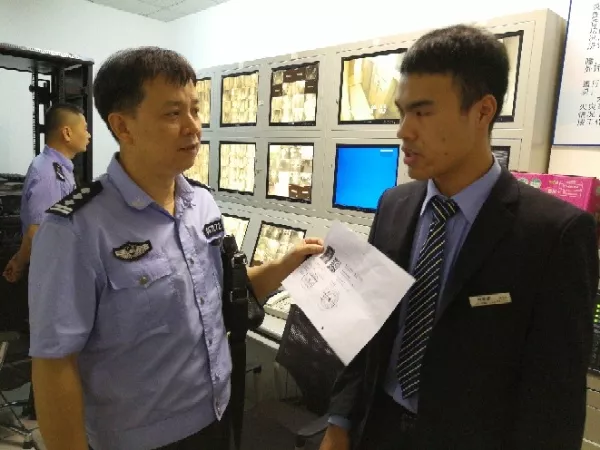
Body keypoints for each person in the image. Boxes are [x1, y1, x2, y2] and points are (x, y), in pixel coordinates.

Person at [27, 47, 323, 450]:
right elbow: (54, 364)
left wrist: (286, 264)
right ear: (123, 126)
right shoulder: (75, 230)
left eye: (195, 110)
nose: (193, 127)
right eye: (172, 114)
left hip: (218, 416)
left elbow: (222, 293)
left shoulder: (201, 204)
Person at [320, 24, 598, 450]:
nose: (404, 131)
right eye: (403, 112)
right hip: (377, 429)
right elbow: (368, 328)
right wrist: (339, 421)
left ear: (483, 111)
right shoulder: (394, 205)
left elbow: (553, 396)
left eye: (423, 112)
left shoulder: (553, 234)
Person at [2, 103, 89, 282]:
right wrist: (19, 263)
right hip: (52, 274)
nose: (88, 135)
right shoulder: (49, 174)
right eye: (85, 129)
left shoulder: (58, 168)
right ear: (67, 133)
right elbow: (37, 232)